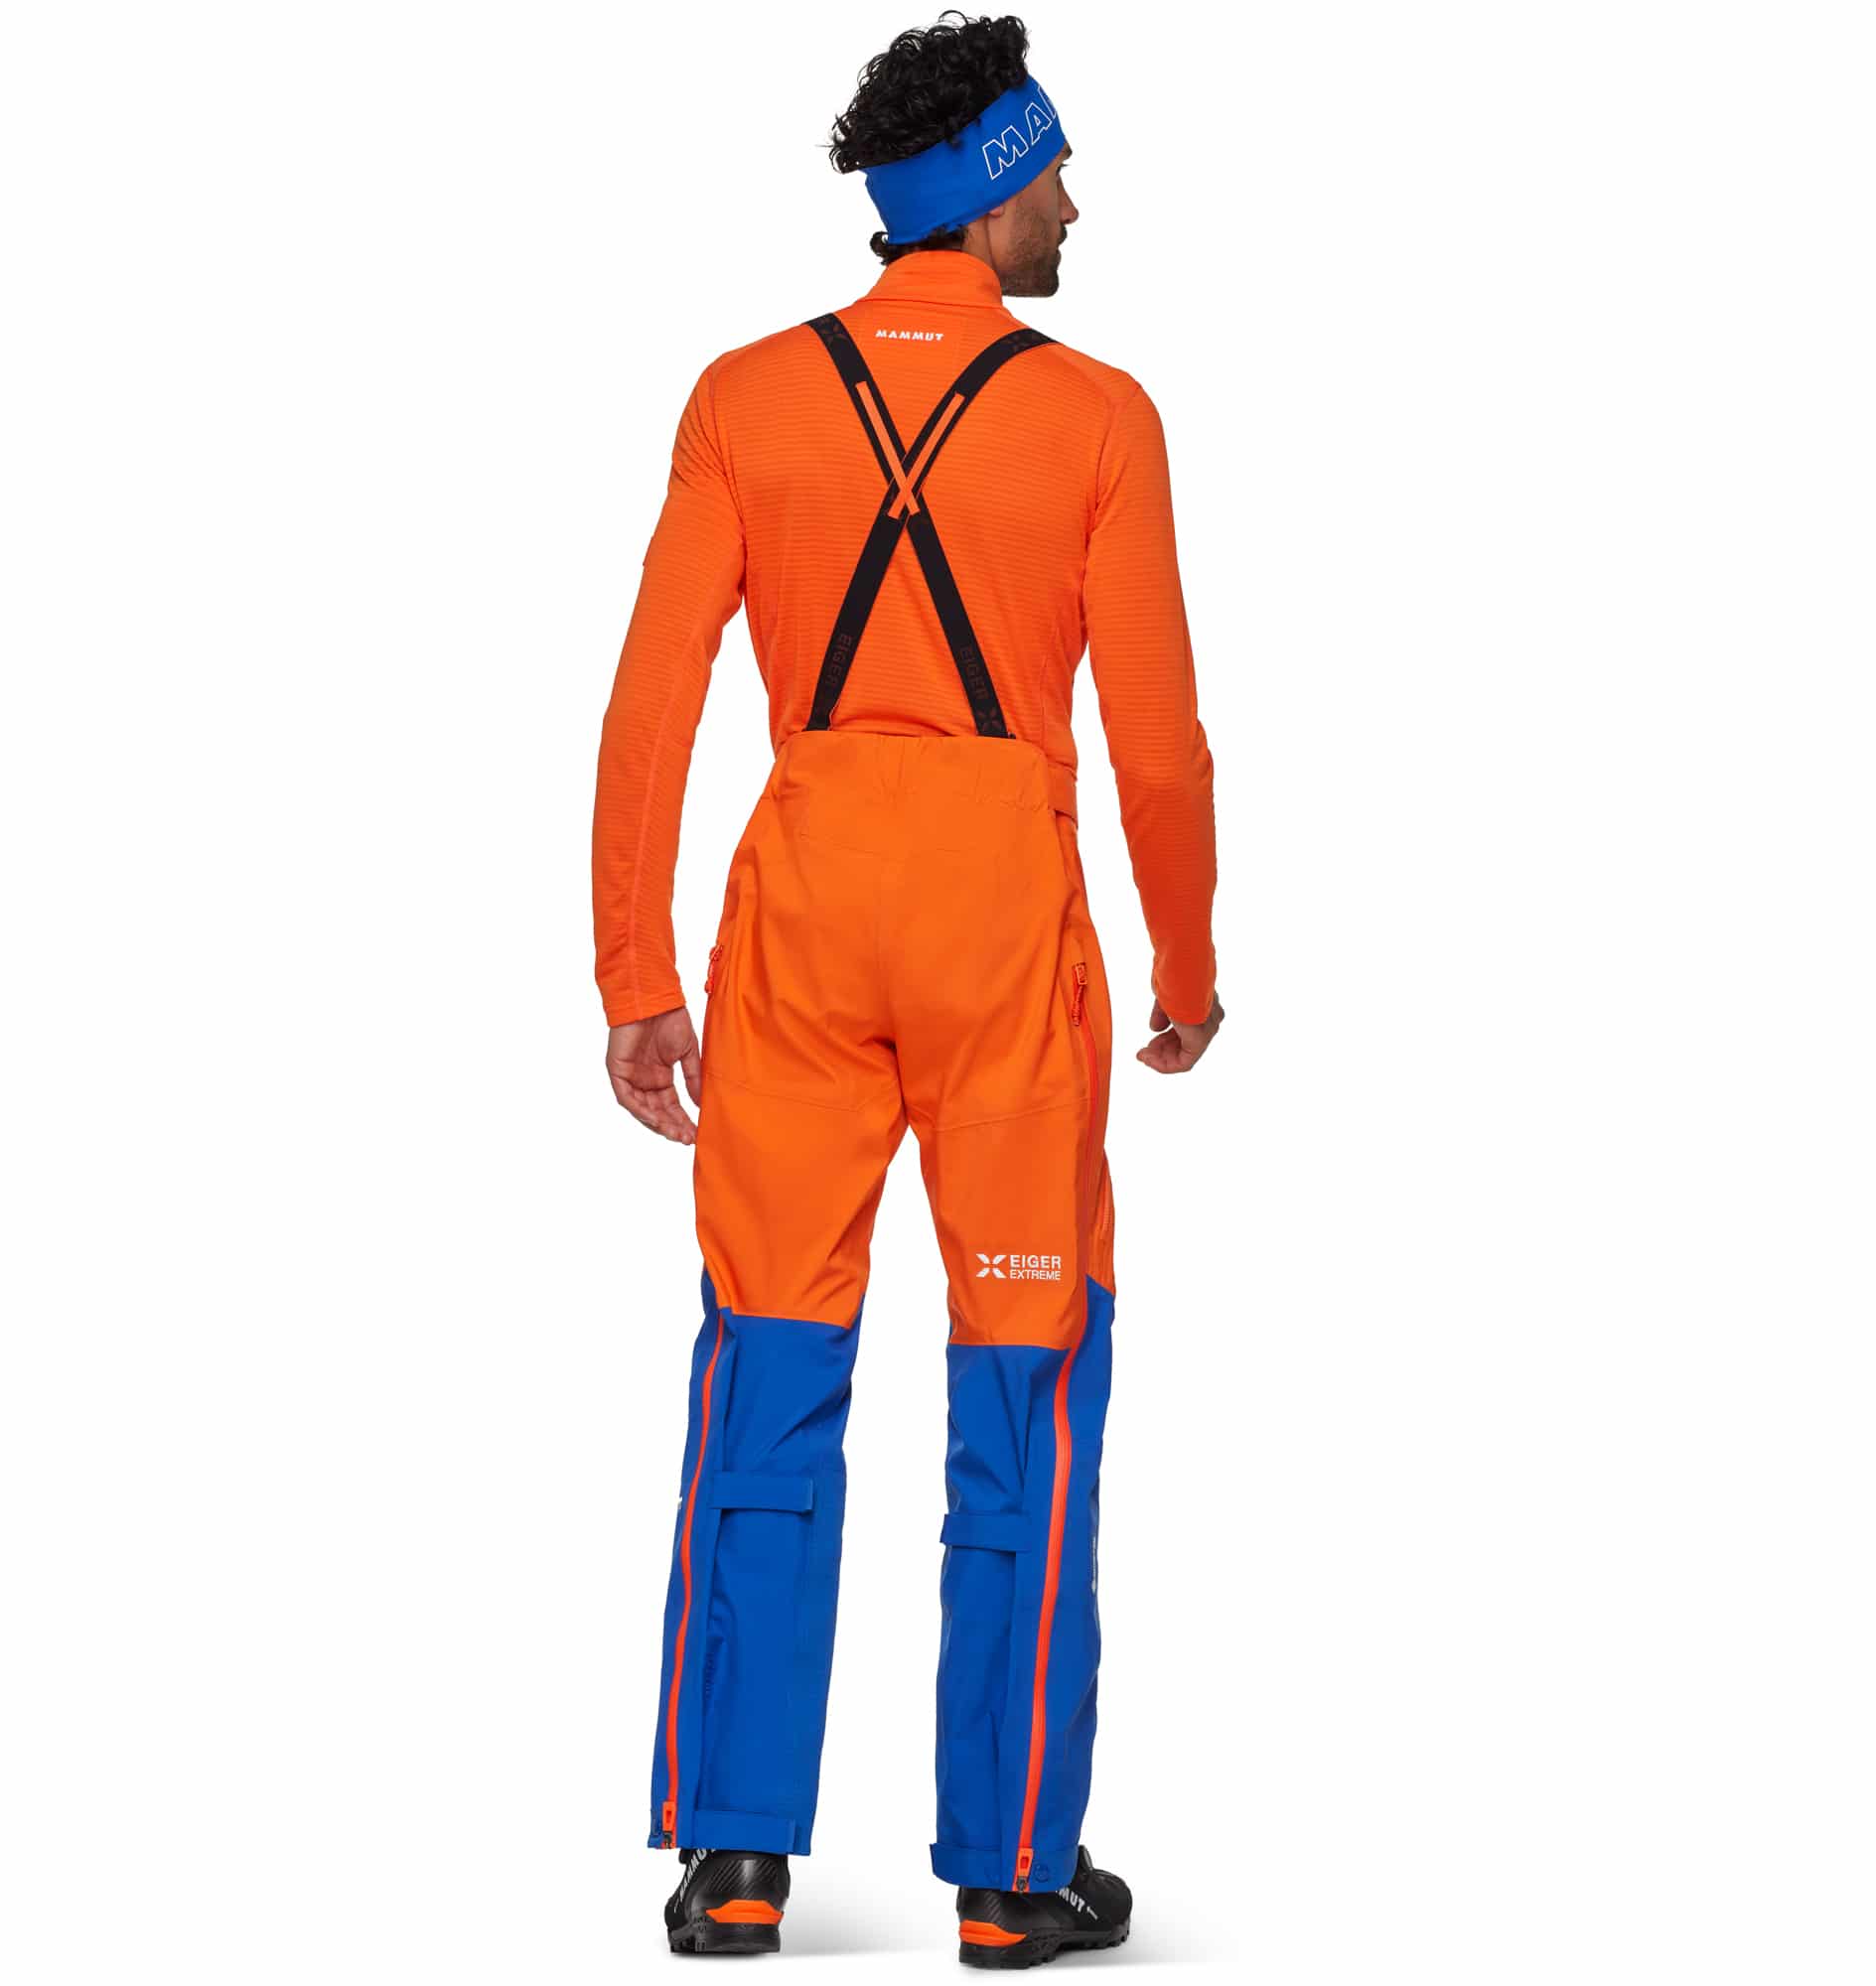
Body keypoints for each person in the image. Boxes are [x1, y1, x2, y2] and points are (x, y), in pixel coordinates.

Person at [591, 11, 1222, 1964]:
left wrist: (635, 972)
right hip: (1001, 935)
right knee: (1022, 1379)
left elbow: (650, 705)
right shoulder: (1099, 416)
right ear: (986, 186)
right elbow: (1159, 743)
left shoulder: (741, 398)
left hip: (793, 924)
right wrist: (1190, 960)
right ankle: (1012, 1876)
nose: (1075, 205)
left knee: (766, 1369)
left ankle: (734, 1858)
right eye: (1054, 175)